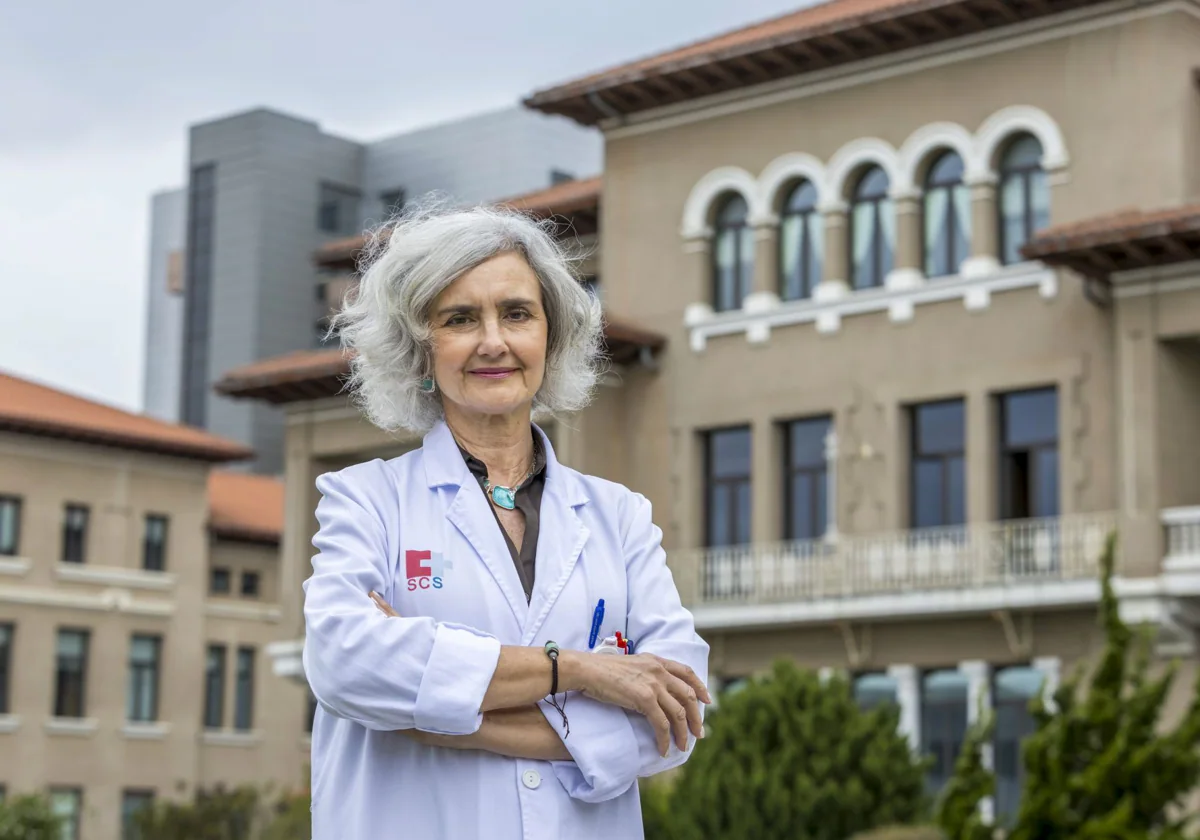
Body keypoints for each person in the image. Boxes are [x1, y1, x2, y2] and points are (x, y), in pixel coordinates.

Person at [302, 202, 712, 840]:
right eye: (460, 318)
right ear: (419, 347)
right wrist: (580, 671)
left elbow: (677, 714)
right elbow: (343, 664)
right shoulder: (367, 501)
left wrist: (430, 709)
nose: (494, 341)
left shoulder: (620, 517)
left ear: (551, 336)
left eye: (517, 314)